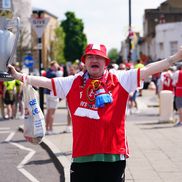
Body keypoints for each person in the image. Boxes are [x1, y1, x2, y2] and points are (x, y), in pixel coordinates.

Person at [8, 44, 182, 182]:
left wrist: (175, 58)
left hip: (113, 156)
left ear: (105, 62)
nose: (94, 59)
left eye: (98, 57)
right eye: (90, 56)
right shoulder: (72, 82)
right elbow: (46, 82)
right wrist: (20, 77)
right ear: (85, 61)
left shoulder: (120, 78)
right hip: (82, 157)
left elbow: (148, 70)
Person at [44, 61, 61, 134]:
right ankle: (50, 129)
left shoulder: (48, 72)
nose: (57, 67)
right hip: (53, 94)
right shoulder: (54, 74)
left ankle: (46, 128)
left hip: (48, 94)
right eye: (56, 66)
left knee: (48, 112)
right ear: (52, 66)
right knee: (52, 113)